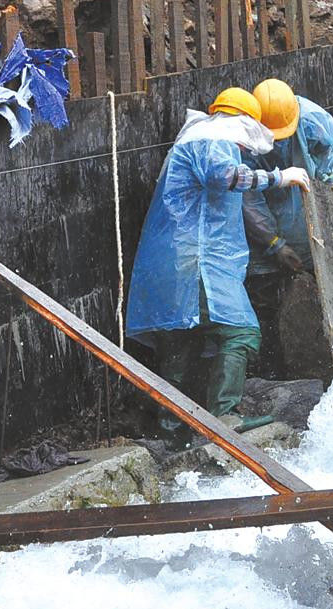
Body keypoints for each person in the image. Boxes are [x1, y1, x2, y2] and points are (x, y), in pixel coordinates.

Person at [125, 88, 310, 424]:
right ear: (243, 123)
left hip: (174, 258)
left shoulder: (194, 137)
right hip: (197, 259)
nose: (242, 149)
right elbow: (228, 177)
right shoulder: (214, 139)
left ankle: (172, 429)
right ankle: (225, 417)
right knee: (241, 332)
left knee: (181, 340)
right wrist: (280, 178)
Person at [242, 78, 333, 275]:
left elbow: (332, 154)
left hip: (310, 209)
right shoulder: (244, 137)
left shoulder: (309, 119)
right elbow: (249, 196)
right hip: (270, 209)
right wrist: (274, 243)